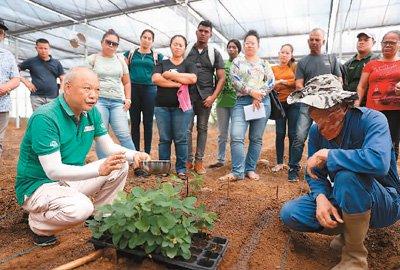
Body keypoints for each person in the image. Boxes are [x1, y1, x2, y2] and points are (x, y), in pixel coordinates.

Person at [15, 67, 150, 247]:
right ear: (67, 87)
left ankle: (102, 219)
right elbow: (53, 171)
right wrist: (98, 169)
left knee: (120, 164)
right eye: (87, 88)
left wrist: (135, 155)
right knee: (82, 208)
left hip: (69, 180)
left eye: (97, 89)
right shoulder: (46, 117)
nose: (93, 95)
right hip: (39, 185)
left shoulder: (91, 112)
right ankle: (38, 223)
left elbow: (108, 146)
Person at [280, 74, 400, 270]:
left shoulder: (373, 120)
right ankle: (350, 231)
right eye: (314, 119)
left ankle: (355, 258)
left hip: (385, 202)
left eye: (321, 121)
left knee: (347, 176)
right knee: (291, 213)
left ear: (338, 111)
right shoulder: (315, 131)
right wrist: (320, 197)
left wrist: (330, 154)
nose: (318, 128)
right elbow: (315, 172)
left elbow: (379, 162)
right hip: (347, 195)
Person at [218, 30, 274, 181]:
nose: (249, 45)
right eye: (247, 43)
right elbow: (235, 81)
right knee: (236, 135)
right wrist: (251, 93)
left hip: (261, 103)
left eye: (252, 43)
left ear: (258, 45)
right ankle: (237, 171)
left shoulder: (264, 63)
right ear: (244, 45)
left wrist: (258, 95)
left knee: (256, 138)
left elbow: (270, 82)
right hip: (241, 102)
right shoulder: (237, 62)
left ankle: (250, 169)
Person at [289, 28, 342, 181]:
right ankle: (293, 167)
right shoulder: (303, 62)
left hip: (327, 106)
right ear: (308, 41)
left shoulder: (331, 59)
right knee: (299, 137)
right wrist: (311, 91)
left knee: (328, 136)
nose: (314, 42)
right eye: (311, 39)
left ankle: (323, 168)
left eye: (317, 39)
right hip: (307, 105)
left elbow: (339, 81)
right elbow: (298, 83)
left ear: (323, 41)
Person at [152, 35, 197, 179]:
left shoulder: (189, 63)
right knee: (164, 139)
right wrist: (177, 83)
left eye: (181, 45)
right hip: (162, 107)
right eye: (175, 44)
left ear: (184, 48)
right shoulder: (162, 63)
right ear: (170, 45)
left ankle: (181, 169)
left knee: (181, 139)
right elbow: (156, 79)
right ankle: (164, 168)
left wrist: (169, 75)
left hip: (181, 108)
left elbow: (192, 79)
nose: (177, 47)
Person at [87, 29, 135, 159]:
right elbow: (85, 81)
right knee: (101, 134)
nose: (111, 45)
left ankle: (137, 162)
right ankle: (104, 164)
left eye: (115, 44)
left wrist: (128, 98)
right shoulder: (92, 59)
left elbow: (126, 82)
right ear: (102, 42)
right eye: (108, 42)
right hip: (99, 101)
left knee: (124, 134)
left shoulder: (120, 61)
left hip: (117, 102)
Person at [185, 20, 225, 175]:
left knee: (202, 129)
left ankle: (199, 162)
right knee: (186, 130)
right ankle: (188, 161)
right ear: (196, 31)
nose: (203, 33)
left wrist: (213, 97)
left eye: (206, 31)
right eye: (201, 30)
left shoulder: (214, 53)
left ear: (210, 34)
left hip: (205, 99)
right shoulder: (187, 50)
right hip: (187, 97)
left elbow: (221, 78)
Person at [356, 30, 400, 160]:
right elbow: (362, 86)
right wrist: (357, 104)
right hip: (373, 111)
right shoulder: (371, 65)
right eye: (385, 42)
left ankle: (389, 176)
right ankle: (373, 175)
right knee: (371, 141)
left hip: (395, 111)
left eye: (392, 42)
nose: (387, 45)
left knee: (392, 144)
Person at [124, 29, 163, 155]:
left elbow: (162, 71)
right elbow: (124, 71)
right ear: (140, 38)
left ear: (152, 41)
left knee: (148, 122)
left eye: (149, 38)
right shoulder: (130, 53)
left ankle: (146, 152)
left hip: (150, 90)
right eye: (144, 37)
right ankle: (135, 152)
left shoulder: (157, 56)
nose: (146, 40)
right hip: (133, 89)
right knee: (134, 122)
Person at [209, 39, 241, 168]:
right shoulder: (222, 64)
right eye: (229, 47)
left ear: (239, 49)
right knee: (222, 133)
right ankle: (221, 159)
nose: (231, 49)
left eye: (234, 47)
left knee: (236, 133)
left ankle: (236, 159)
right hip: (222, 102)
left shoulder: (242, 64)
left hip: (237, 102)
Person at [271, 44, 297, 174]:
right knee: (280, 133)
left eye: (287, 53)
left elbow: (297, 83)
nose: (284, 55)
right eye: (282, 52)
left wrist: (282, 82)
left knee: (292, 134)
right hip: (279, 104)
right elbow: (270, 84)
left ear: (291, 55)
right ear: (278, 53)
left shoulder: (295, 67)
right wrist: (282, 83)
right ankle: (279, 162)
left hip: (293, 103)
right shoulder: (273, 68)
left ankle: (292, 163)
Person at [19, 38, 65, 111]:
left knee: (52, 118)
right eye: (40, 48)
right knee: (39, 118)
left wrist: (61, 92)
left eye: (45, 48)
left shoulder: (56, 63)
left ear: (49, 49)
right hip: (36, 97)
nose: (43, 51)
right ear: (36, 48)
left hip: (53, 97)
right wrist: (26, 81)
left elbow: (63, 78)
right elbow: (14, 70)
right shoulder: (31, 61)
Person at [0, 19, 20, 159]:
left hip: (2, 105)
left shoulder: (8, 56)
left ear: (3, 36)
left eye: (0, 33)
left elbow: (16, 79)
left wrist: (5, 88)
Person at [342, 31, 379, 106]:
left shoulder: (377, 60)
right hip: (349, 103)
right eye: (360, 40)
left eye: (366, 40)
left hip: (369, 103)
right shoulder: (348, 63)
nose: (361, 42)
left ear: (373, 43)